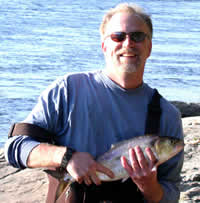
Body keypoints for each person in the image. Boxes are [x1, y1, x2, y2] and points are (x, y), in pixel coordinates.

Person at [4, 3, 184, 203]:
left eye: (138, 36)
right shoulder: (68, 89)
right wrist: (66, 157)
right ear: (104, 46)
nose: (128, 44)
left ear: (149, 47)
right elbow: (16, 148)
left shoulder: (167, 115)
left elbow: (171, 193)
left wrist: (149, 186)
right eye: (118, 36)